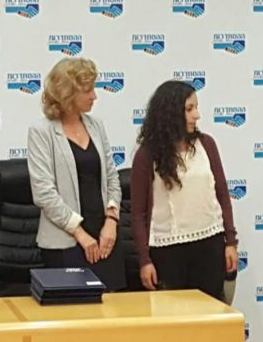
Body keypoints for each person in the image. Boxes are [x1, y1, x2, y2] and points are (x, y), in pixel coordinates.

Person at [131, 80, 239, 301]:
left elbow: (222, 196)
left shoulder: (207, 145)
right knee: (173, 317)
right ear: (170, 113)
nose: (196, 115)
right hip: (168, 251)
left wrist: (230, 242)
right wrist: (144, 260)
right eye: (189, 109)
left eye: (196, 107)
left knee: (211, 313)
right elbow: (138, 214)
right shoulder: (146, 155)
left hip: (210, 244)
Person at [28, 58, 125, 291]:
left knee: (113, 306)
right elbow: (44, 194)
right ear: (67, 93)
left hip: (105, 237)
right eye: (88, 90)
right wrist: (80, 234)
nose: (94, 96)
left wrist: (111, 221)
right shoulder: (41, 132)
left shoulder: (96, 126)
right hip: (65, 242)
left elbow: (112, 177)